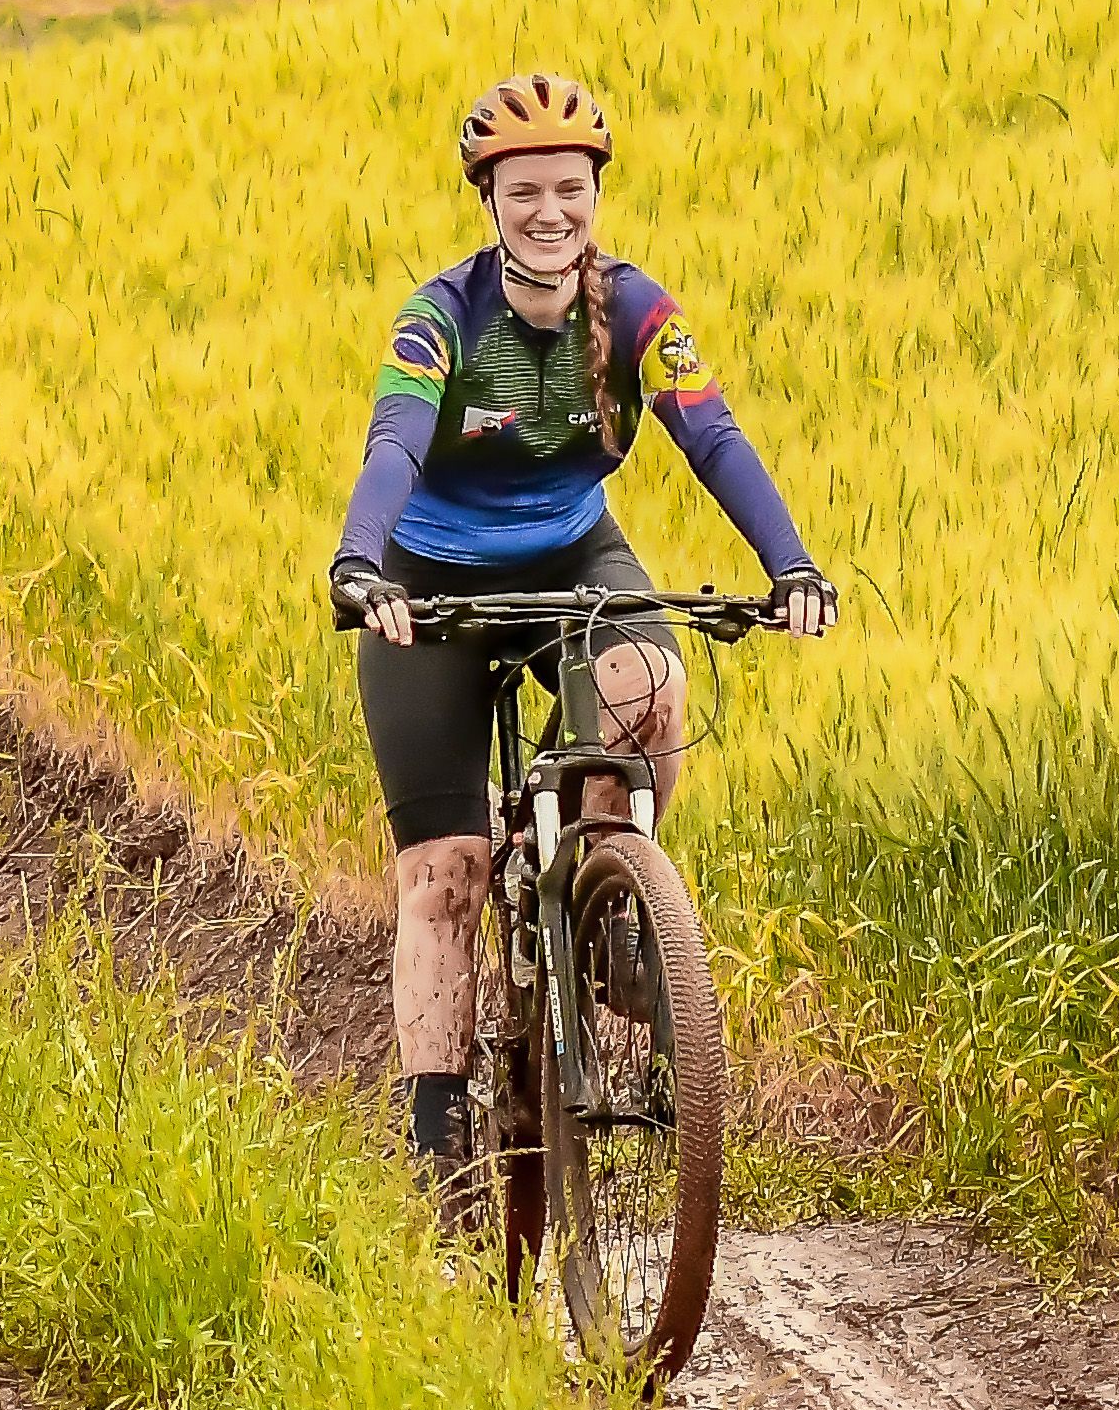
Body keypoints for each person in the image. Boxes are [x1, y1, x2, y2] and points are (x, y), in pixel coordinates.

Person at [327, 70, 833, 1192]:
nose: (549, 211)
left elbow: (714, 437)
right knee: (447, 874)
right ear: (489, 202)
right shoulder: (440, 318)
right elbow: (395, 444)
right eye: (524, 192)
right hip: (431, 581)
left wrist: (789, 565)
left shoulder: (639, 312)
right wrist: (361, 563)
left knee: (651, 679)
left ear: (596, 194)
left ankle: (608, 908)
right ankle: (437, 1146)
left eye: (570, 188)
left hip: (571, 552)